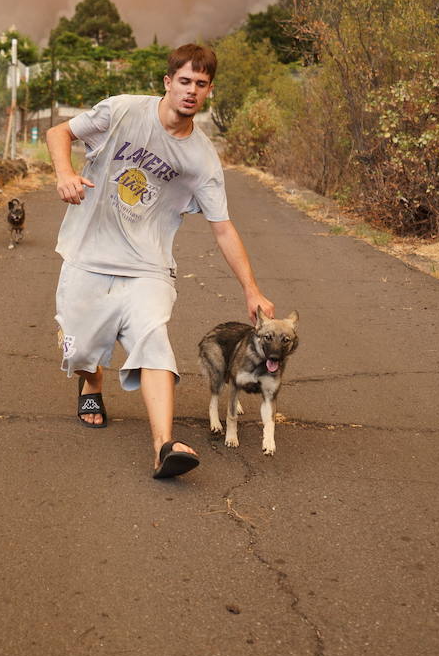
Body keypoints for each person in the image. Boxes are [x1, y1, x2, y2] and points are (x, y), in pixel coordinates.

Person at [46, 43, 274, 479]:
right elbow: (61, 133)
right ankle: (91, 383)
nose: (191, 91)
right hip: (86, 253)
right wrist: (64, 173)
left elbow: (223, 227)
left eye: (201, 85)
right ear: (168, 83)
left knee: (154, 339)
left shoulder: (202, 158)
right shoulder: (123, 111)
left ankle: (163, 446)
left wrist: (251, 287)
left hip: (147, 266)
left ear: (209, 92)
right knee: (78, 347)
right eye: (184, 81)